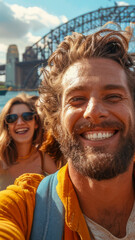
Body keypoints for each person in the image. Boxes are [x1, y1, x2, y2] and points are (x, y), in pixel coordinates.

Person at [0, 28, 135, 239]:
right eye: (76, 99)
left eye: (113, 96)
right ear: (55, 121)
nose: (94, 112)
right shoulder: (21, 210)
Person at [0, 92, 58, 190]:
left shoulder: (43, 160)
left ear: (36, 123)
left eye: (27, 116)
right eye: (12, 118)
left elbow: (60, 191)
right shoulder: (1, 161)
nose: (20, 123)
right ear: (7, 127)